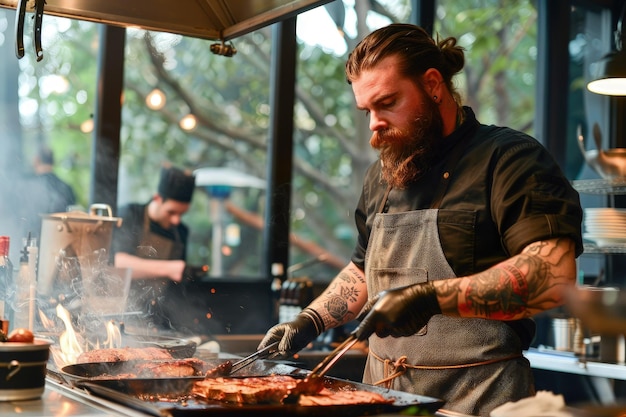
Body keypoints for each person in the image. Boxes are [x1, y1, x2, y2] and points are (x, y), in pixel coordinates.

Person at [258, 24, 583, 417]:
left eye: (388, 102)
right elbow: (362, 270)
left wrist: (430, 298)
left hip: (479, 401)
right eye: (368, 111)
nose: (374, 123)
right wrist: (310, 320)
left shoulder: (509, 159)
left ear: (433, 84)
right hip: (381, 397)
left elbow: (553, 277)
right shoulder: (383, 174)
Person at [111, 164, 198, 328]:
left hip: (156, 318)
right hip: (121, 313)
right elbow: (119, 264)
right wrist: (171, 269)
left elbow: (176, 290)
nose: (176, 220)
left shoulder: (181, 232)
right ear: (157, 198)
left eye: (181, 214)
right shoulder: (130, 215)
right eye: (171, 212)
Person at [21, 146, 77, 238]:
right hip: (58, 240)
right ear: (53, 162)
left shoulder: (26, 186)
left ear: (36, 160)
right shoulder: (66, 187)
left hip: (30, 241)